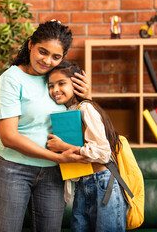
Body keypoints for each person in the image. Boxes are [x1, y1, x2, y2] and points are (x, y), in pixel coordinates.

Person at [0, 20, 91, 232]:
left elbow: (84, 120)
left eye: (56, 56)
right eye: (42, 52)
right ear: (30, 45)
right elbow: (9, 137)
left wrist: (87, 98)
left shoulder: (60, 80)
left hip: (54, 174)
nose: (47, 61)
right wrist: (56, 157)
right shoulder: (11, 79)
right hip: (13, 170)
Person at [46, 60, 127, 232]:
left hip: (103, 183)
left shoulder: (86, 108)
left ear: (76, 83)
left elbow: (103, 153)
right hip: (83, 184)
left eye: (61, 83)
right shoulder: (69, 111)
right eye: (51, 86)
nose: (55, 90)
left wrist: (64, 146)